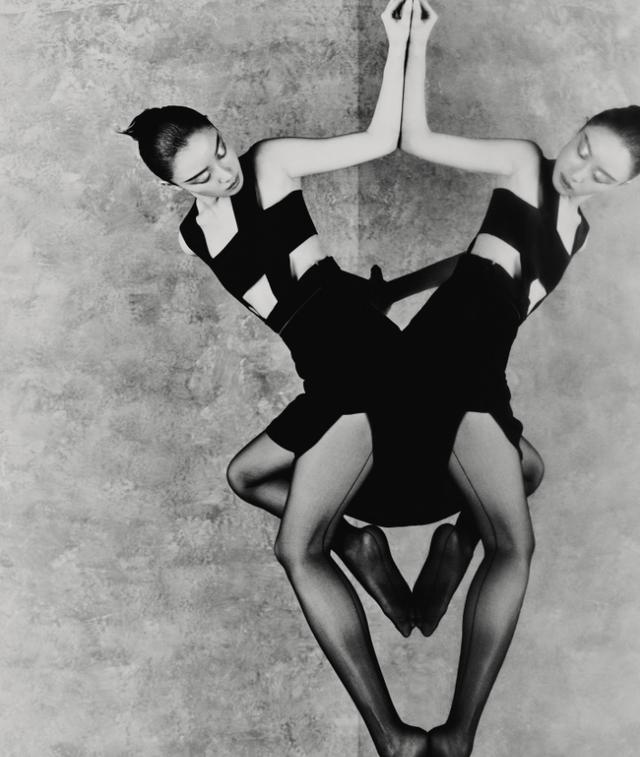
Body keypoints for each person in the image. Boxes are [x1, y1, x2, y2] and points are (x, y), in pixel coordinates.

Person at [123, 3, 435, 754]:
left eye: (221, 150)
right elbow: (287, 303)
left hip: (363, 362)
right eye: (201, 174)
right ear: (174, 185)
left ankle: (393, 737)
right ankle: (359, 545)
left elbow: (378, 139)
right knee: (246, 476)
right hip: (323, 371)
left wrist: (401, 42)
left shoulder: (271, 164)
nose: (224, 172)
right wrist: (367, 295)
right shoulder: (195, 234)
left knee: (296, 549)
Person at [394, 1, 640, 754]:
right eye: (583, 147)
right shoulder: (524, 163)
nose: (578, 169)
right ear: (576, 130)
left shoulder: (576, 229)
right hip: (447, 361)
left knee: (530, 469)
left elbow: (483, 268)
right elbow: (416, 139)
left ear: (620, 186)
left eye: (600, 173)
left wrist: (400, 286)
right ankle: (455, 738)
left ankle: (442, 567)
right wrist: (415, 42)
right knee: (516, 547)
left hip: (483, 369)